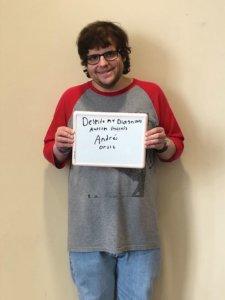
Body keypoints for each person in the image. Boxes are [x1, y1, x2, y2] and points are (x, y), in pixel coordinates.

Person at [43, 20, 184, 300]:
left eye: (110, 53)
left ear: (123, 55)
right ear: (86, 62)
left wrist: (163, 143)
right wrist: (60, 145)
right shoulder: (71, 98)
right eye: (93, 57)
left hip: (139, 232)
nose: (103, 63)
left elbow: (176, 147)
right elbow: (52, 153)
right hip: (87, 234)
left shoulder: (151, 93)